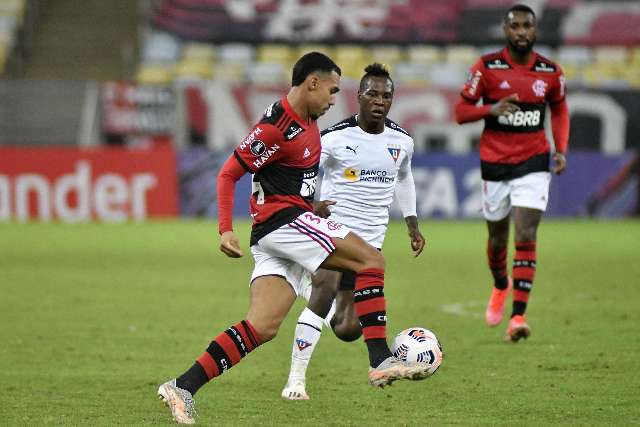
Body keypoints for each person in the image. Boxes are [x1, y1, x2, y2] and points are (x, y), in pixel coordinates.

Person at [158, 52, 429, 425]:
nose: (335, 99)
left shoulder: (310, 121)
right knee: (371, 260)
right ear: (312, 83)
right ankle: (380, 359)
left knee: (262, 327)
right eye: (332, 90)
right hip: (281, 224)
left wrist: (310, 205)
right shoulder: (276, 126)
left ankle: (182, 386)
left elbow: (285, 178)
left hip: (285, 225)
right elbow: (227, 174)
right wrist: (224, 229)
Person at [281, 63, 426, 401]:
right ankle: (296, 381)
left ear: (392, 100)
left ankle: (311, 288)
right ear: (358, 96)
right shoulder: (333, 137)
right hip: (333, 234)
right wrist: (308, 204)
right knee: (325, 290)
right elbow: (304, 170)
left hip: (369, 245)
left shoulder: (402, 141)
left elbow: (404, 178)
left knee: (348, 328)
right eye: (372, 93)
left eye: (386, 95)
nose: (379, 100)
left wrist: (412, 222)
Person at [454, 4, 570, 342]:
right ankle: (501, 285)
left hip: (534, 161)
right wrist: (491, 108)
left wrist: (560, 149)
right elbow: (461, 111)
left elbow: (560, 108)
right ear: (506, 31)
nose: (521, 32)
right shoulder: (486, 68)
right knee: (497, 239)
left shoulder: (550, 72)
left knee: (526, 234)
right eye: (515, 26)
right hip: (495, 164)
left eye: (526, 26)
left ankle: (518, 316)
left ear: (535, 31)